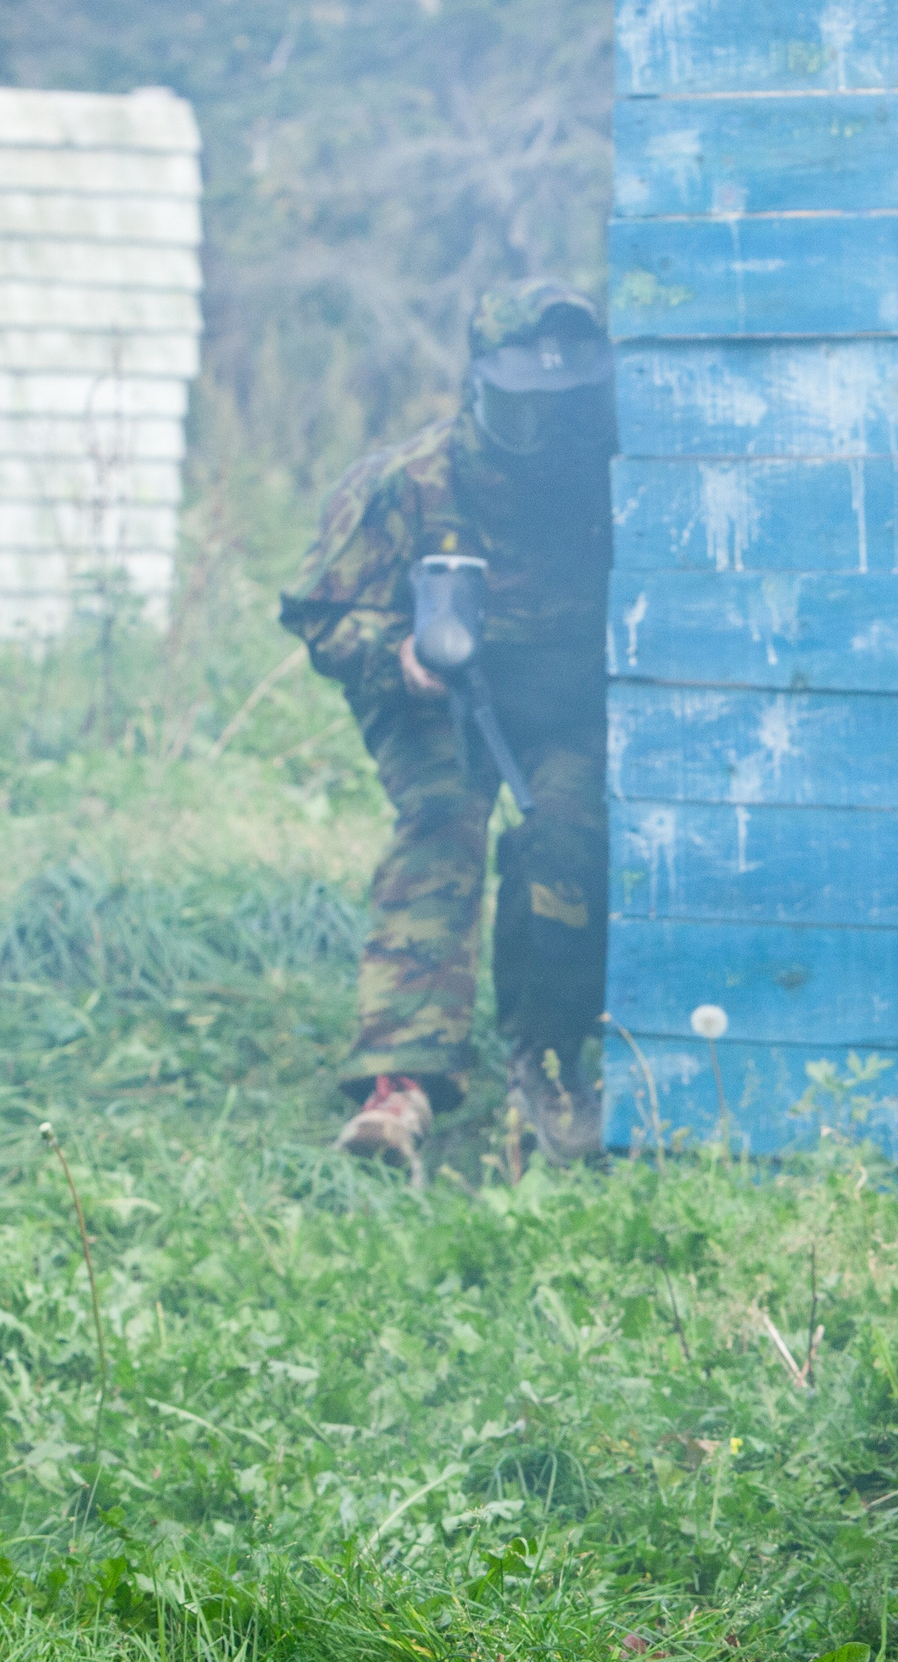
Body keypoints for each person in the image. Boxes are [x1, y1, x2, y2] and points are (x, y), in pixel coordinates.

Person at [278, 278, 618, 1181]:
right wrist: (395, 655)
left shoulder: (609, 477)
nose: (543, 429)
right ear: (477, 390)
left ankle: (551, 1056)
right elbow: (317, 611)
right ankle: (401, 1084)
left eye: (564, 406)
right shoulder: (408, 482)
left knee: (568, 840)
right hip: (433, 699)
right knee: (442, 824)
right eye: (521, 409)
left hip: (559, 704)